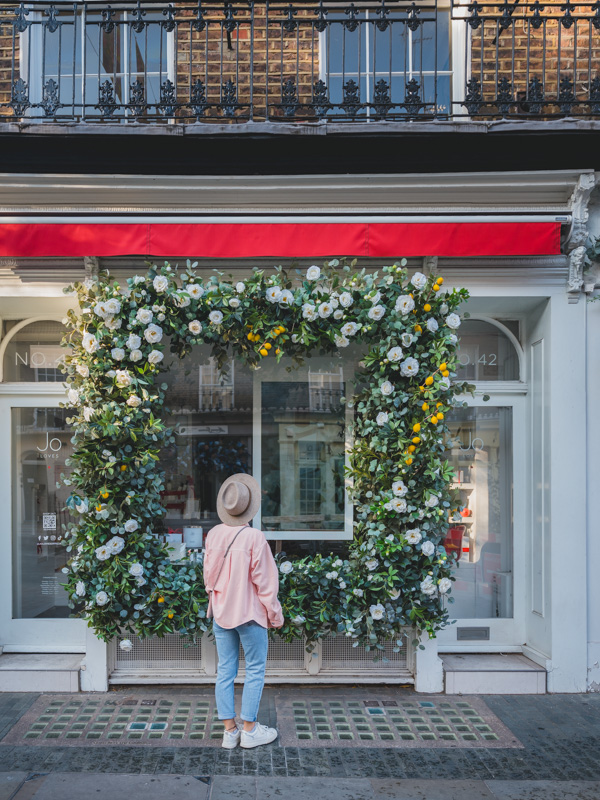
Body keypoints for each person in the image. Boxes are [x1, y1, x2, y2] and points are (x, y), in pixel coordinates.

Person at [203, 473, 284, 750]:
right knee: (255, 670)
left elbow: (207, 577)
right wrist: (275, 614)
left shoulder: (213, 534)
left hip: (221, 612)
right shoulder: (254, 538)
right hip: (250, 615)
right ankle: (249, 730)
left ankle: (229, 732)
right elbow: (266, 583)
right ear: (249, 507)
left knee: (225, 670)